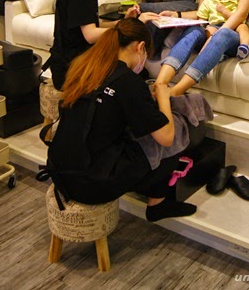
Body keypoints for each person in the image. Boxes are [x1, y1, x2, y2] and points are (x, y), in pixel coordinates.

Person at [46, 17, 200, 222]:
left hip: (59, 171)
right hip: (91, 186)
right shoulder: (128, 81)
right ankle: (158, 204)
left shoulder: (86, 66)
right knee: (176, 129)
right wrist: (162, 93)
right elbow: (166, 137)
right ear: (140, 47)